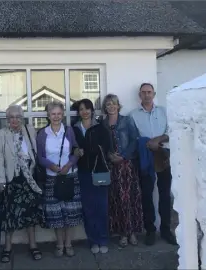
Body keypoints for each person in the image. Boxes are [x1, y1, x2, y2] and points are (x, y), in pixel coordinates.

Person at [0, 104, 44, 262]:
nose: (14, 120)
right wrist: (0, 180)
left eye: (17, 117)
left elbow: (34, 151)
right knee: (10, 214)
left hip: (29, 178)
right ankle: (7, 248)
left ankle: (33, 246)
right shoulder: (2, 133)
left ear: (22, 118)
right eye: (11, 117)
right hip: (11, 179)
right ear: (7, 119)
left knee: (30, 215)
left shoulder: (29, 130)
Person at [130, 82, 177, 246]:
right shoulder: (133, 115)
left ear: (154, 94)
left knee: (165, 195)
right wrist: (147, 143)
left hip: (163, 155)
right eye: (143, 92)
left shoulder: (164, 111)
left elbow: (172, 130)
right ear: (139, 95)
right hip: (145, 157)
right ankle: (150, 230)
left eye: (149, 92)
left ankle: (165, 230)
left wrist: (158, 140)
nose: (147, 95)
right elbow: (132, 136)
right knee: (146, 194)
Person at [36, 101, 82, 257]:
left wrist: (69, 165)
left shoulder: (69, 131)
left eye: (59, 113)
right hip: (52, 178)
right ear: (48, 115)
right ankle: (59, 244)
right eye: (53, 113)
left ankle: (68, 244)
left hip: (70, 176)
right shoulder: (42, 134)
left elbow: (76, 150)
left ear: (63, 115)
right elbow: (40, 156)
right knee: (56, 213)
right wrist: (52, 166)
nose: (56, 116)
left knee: (70, 212)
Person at [101, 94, 144, 247]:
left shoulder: (126, 120)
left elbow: (134, 140)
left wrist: (123, 156)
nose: (111, 107)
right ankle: (122, 234)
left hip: (127, 166)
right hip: (112, 167)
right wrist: (109, 156)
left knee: (130, 199)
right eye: (108, 104)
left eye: (113, 104)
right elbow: (102, 144)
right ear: (105, 108)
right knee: (117, 200)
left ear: (118, 106)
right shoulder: (103, 123)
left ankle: (132, 232)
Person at [72, 99, 111, 254]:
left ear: (92, 110)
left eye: (87, 108)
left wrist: (86, 150)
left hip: (100, 171)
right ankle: (93, 241)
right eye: (81, 109)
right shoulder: (74, 129)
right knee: (88, 209)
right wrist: (75, 151)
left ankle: (103, 239)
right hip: (83, 173)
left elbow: (106, 147)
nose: (85, 111)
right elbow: (71, 147)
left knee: (101, 207)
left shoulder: (100, 128)